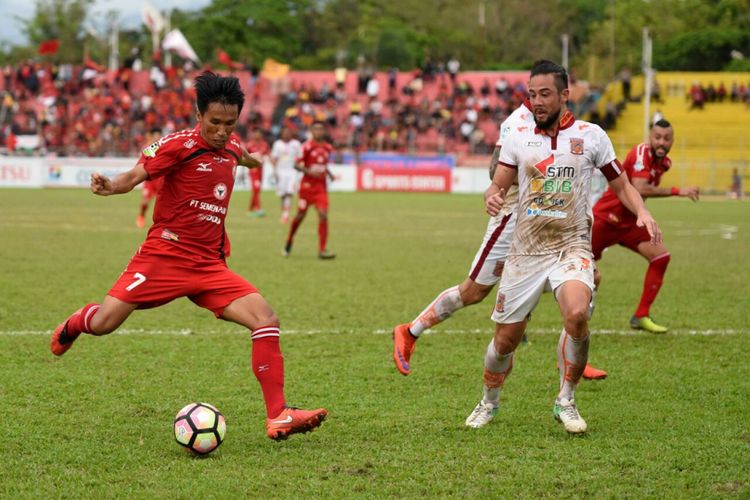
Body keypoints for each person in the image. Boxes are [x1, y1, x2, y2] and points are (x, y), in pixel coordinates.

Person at [50, 71, 327, 441]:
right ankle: (77, 321)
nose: (221, 131)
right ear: (199, 116)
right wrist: (111, 186)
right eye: (214, 122)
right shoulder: (177, 145)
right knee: (104, 323)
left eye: (229, 123)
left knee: (266, 319)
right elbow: (135, 175)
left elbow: (242, 156)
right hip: (163, 255)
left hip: (209, 265)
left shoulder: (231, 144)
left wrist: (254, 162)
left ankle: (278, 416)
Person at [466, 60, 661, 434]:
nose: (537, 102)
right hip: (526, 251)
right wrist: (493, 196)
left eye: (545, 94)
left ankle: (566, 400)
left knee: (576, 315)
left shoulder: (592, 136)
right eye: (532, 95)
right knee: (504, 342)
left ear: (564, 95)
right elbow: (500, 183)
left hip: (571, 246)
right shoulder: (519, 137)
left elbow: (621, 185)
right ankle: (488, 401)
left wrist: (643, 213)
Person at [392, 97, 608, 380]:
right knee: (473, 292)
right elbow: (495, 171)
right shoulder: (517, 123)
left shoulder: (567, 126)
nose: (543, 100)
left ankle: (570, 352)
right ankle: (410, 331)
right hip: (513, 218)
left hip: (549, 224)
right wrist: (534, 167)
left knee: (590, 276)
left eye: (549, 93)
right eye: (538, 93)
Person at [592, 119, 699, 333]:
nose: (661, 142)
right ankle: (523, 312)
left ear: (672, 141)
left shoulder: (664, 163)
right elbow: (639, 188)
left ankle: (641, 315)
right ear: (650, 137)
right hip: (607, 218)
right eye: (657, 137)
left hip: (631, 222)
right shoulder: (641, 152)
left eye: (666, 138)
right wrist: (679, 191)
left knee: (660, 257)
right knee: (575, 270)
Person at [283, 121, 336, 259]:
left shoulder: (327, 147)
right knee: (300, 216)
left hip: (321, 188)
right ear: (312, 131)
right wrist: (310, 172)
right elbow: (296, 165)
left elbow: (322, 164)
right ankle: (289, 240)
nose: (318, 132)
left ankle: (322, 250)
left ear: (324, 131)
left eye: (321, 129)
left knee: (323, 214)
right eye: (316, 129)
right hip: (306, 187)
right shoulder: (306, 146)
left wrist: (329, 174)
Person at [270, 126, 303, 223]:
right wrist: (274, 171)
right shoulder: (277, 144)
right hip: (281, 172)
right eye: (285, 132)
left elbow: (300, 157)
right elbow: (274, 159)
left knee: (289, 193)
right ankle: (284, 212)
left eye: (288, 132)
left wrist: (300, 168)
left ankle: (285, 215)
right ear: (282, 134)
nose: (287, 134)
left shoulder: (296, 144)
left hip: (292, 172)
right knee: (282, 194)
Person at [136, 127, 163, 228]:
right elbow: (145, 160)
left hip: (160, 179)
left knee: (162, 204)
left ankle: (161, 224)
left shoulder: (165, 145)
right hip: (150, 180)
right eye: (155, 136)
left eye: (158, 136)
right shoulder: (149, 147)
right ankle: (141, 217)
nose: (157, 138)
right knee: (145, 202)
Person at [246, 128, 270, 218]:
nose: (256, 135)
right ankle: (258, 208)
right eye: (255, 133)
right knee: (256, 188)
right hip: (253, 170)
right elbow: (244, 156)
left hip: (261, 170)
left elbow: (268, 154)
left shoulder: (264, 144)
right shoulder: (249, 145)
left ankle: (250, 210)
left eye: (258, 133)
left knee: (257, 190)